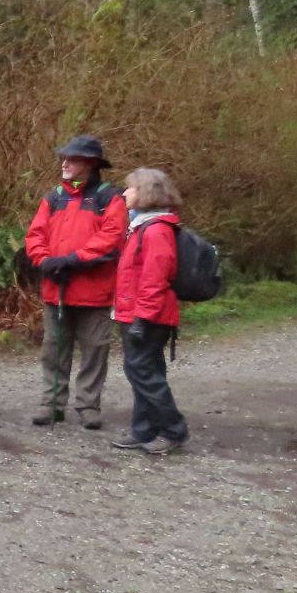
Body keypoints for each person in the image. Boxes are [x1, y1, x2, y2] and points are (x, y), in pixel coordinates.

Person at [24, 134, 127, 429]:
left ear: (90, 164)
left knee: (95, 349)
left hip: (94, 290)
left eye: (72, 159)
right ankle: (51, 404)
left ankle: (88, 405)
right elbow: (35, 235)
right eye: (64, 159)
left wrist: (72, 260)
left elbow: (111, 239)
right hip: (56, 287)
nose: (65, 164)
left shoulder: (109, 198)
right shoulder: (54, 197)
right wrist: (45, 261)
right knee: (54, 349)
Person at [111, 168, 189, 455]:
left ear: (145, 192)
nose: (124, 193)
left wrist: (141, 319)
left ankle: (173, 430)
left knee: (143, 372)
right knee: (145, 371)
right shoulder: (144, 226)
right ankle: (144, 430)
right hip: (139, 313)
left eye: (130, 188)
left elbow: (155, 279)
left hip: (148, 316)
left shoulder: (156, 230)